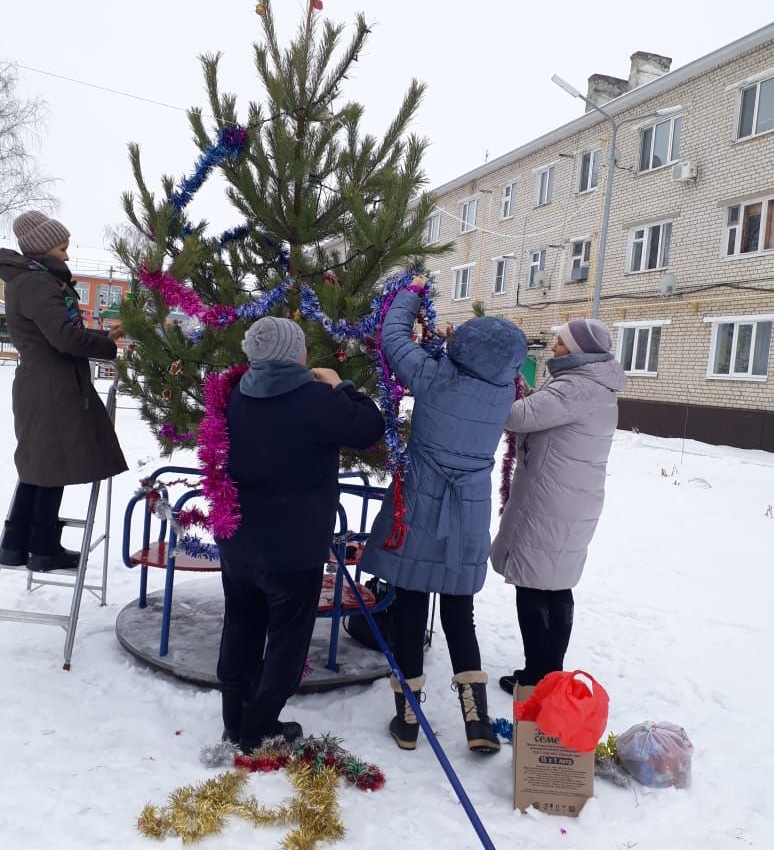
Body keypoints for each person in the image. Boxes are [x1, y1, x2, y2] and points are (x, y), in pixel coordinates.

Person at [359, 277, 527, 754]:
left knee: (410, 604)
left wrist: (412, 294)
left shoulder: (436, 377)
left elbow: (393, 339)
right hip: (468, 513)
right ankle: (477, 722)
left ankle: (408, 720)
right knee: (459, 611)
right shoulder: (505, 393)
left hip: (421, 505)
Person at [215, 316, 385, 752]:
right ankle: (258, 727)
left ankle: (234, 719)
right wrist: (341, 385)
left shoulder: (233, 396)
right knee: (287, 642)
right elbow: (370, 427)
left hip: (238, 542)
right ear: (297, 356)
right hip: (293, 550)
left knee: (241, 627)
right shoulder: (315, 400)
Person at [491, 318, 626, 694]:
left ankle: (538, 676)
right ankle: (550, 670)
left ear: (580, 351)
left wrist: (496, 379)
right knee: (556, 584)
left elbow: (517, 416)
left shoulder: (575, 387)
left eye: (561, 344)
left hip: (552, 502)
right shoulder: (592, 385)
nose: (553, 348)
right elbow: (543, 412)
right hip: (571, 499)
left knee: (533, 584)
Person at [0, 211, 127, 572]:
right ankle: (42, 548)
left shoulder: (26, 280)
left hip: (42, 383)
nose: (67, 256)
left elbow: (55, 333)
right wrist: (107, 346)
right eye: (62, 248)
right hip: (52, 387)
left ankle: (14, 542)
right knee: (53, 465)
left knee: (40, 464)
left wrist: (102, 337)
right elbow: (65, 337)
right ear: (43, 249)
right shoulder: (38, 284)